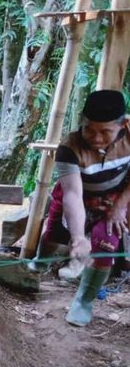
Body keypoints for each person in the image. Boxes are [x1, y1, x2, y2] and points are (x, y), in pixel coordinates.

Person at [41, 89, 129, 326]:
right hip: (82, 195)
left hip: (116, 196)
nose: (96, 138)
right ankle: (40, 261)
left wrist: (120, 206)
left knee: (106, 240)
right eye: (89, 129)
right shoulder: (69, 147)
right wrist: (78, 237)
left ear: (124, 124)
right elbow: (72, 194)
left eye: (105, 132)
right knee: (54, 231)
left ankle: (84, 300)